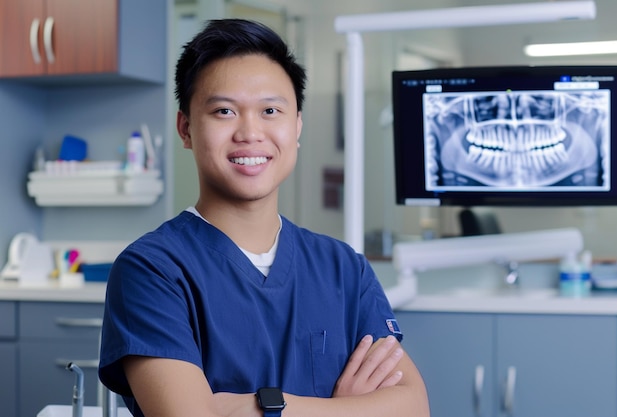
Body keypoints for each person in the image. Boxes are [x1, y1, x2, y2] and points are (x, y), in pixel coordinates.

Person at [98, 18, 429, 417]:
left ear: (297, 127)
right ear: (186, 128)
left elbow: (412, 406)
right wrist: (343, 409)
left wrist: (259, 408)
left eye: (270, 110)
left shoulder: (344, 270)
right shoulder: (152, 270)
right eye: (224, 111)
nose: (250, 132)